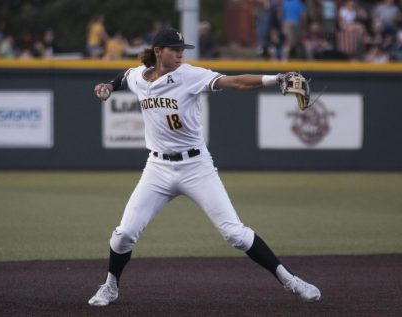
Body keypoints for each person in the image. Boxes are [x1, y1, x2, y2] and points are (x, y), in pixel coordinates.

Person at [88, 27, 321, 307]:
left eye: (182, 50)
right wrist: (109, 86)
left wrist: (276, 79)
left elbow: (235, 82)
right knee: (125, 233)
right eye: (174, 50)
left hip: (196, 166)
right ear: (158, 52)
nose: (180, 55)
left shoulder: (189, 75)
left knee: (235, 233)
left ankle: (291, 281)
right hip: (157, 169)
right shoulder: (140, 76)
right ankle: (111, 286)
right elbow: (125, 76)